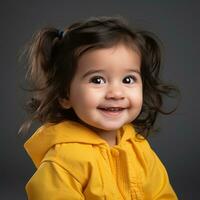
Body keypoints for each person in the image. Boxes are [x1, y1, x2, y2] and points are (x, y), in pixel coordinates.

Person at [20, 16, 179, 199]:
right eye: (97, 80)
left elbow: (163, 195)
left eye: (128, 79)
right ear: (65, 95)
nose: (116, 93)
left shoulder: (140, 149)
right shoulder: (63, 160)